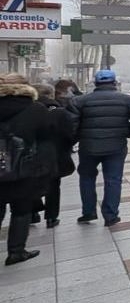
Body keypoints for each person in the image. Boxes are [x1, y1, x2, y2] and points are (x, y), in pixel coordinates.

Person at [66, 70, 130, 226]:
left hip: (88, 148)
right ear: (115, 83)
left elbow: (71, 125)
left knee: (87, 178)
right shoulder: (127, 100)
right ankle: (110, 216)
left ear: (96, 84)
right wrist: (128, 133)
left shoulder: (80, 101)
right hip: (116, 147)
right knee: (113, 180)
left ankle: (88, 212)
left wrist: (78, 138)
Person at [0, 73, 56, 265]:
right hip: (23, 167)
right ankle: (16, 251)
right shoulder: (35, 109)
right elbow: (48, 137)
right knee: (21, 210)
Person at [31, 83, 75, 229]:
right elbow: (71, 134)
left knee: (30, 185)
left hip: (31, 155)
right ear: (51, 95)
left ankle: (32, 213)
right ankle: (51, 217)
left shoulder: (28, 110)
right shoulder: (60, 112)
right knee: (53, 186)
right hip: (55, 155)